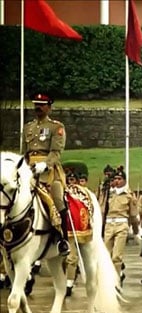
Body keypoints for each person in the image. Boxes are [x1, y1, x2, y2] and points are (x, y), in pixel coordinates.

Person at [20, 93, 70, 255]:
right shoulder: (28, 127)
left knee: (56, 199)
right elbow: (23, 152)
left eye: (42, 104)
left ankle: (63, 239)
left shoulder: (56, 127)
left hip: (48, 172)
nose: (38, 107)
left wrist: (45, 164)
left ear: (49, 107)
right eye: (36, 104)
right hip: (29, 170)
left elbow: (56, 152)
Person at [103, 166, 140, 286]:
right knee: (106, 255)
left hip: (121, 224)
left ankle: (116, 280)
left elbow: (133, 215)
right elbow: (102, 210)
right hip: (109, 224)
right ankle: (113, 275)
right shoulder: (108, 193)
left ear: (124, 180)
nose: (117, 181)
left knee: (116, 256)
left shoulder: (129, 195)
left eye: (119, 178)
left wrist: (136, 230)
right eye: (115, 178)